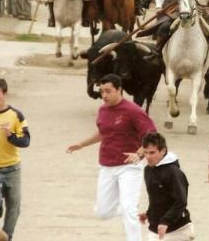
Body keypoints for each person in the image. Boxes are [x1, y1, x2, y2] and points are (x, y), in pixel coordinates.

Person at [66, 74, 157, 241]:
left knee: (129, 210)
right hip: (107, 164)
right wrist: (82, 144)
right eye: (101, 92)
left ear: (119, 90)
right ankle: (125, 207)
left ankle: (129, 215)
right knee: (102, 212)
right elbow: (103, 132)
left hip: (129, 166)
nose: (104, 96)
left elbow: (151, 133)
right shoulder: (102, 110)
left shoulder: (133, 110)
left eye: (108, 91)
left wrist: (139, 153)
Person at [0, 78, 31, 241]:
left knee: (14, 207)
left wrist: (11, 137)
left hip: (12, 168)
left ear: (4, 94)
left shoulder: (15, 115)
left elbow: (26, 141)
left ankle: (7, 236)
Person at [138, 132, 194, 241]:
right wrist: (149, 213)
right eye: (145, 153)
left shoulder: (174, 173)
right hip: (155, 230)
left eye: (152, 152)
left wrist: (165, 222)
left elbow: (181, 201)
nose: (148, 157)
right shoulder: (148, 170)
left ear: (163, 151)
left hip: (178, 230)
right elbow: (157, 198)